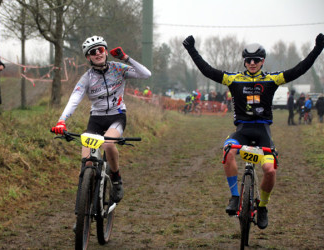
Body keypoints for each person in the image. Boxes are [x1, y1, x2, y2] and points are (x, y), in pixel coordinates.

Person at [183, 33, 324, 230]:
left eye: (256, 60)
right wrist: (191, 50)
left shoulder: (272, 79)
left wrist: (318, 48)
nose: (251, 63)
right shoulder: (233, 79)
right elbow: (207, 71)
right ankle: (234, 197)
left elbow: (299, 70)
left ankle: (263, 207)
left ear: (262, 61)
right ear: (244, 61)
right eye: (248, 60)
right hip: (241, 131)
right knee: (228, 152)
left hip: (262, 132)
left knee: (270, 171)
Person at [51, 36, 151, 204]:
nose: (97, 54)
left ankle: (116, 178)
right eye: (92, 52)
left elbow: (146, 74)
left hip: (116, 116)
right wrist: (62, 121)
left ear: (105, 51)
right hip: (96, 119)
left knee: (108, 144)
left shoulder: (118, 68)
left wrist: (125, 58)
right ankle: (82, 210)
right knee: (87, 163)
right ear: (88, 57)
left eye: (101, 50)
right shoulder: (87, 78)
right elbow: (74, 99)